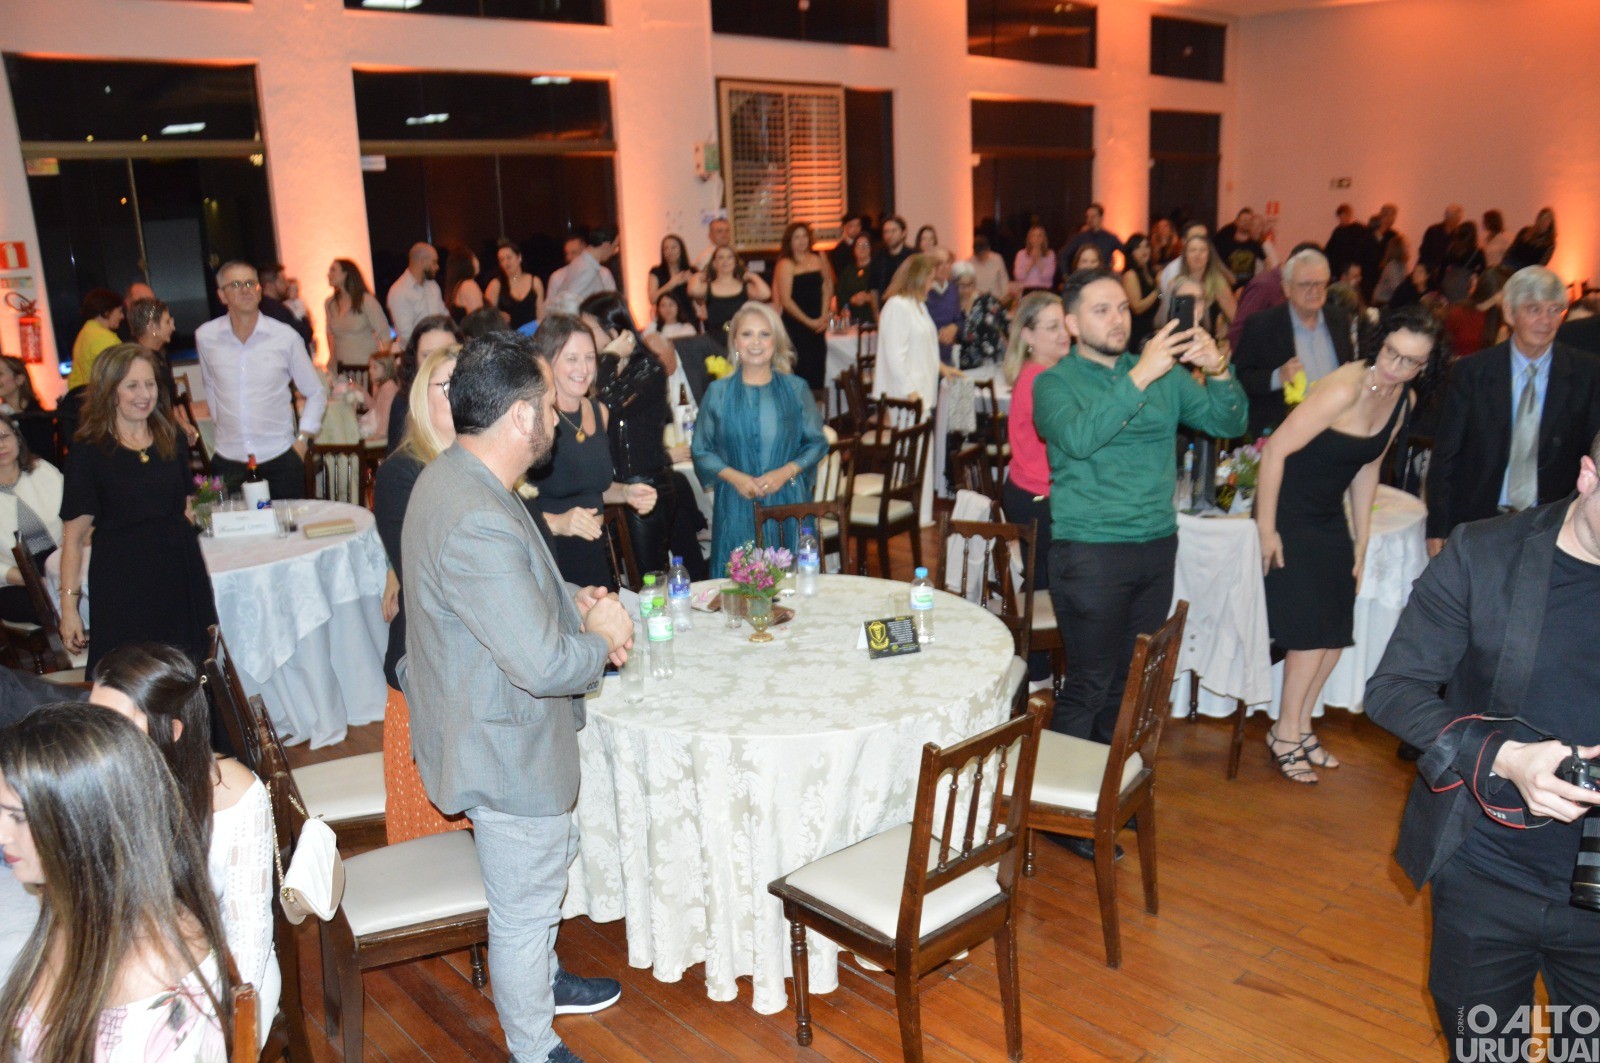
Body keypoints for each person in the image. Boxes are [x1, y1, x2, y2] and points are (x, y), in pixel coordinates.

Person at [398, 329, 632, 1063]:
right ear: (521, 416)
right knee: (524, 909)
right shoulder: (473, 512)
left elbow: (501, 599)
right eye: (549, 405)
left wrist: (569, 601)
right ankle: (534, 1045)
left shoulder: (456, 476)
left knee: (537, 878)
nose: (558, 417)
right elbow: (540, 663)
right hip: (503, 745)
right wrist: (598, 636)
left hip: (484, 717)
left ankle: (546, 983)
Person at [1365, 434, 1600, 1062]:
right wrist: (1504, 756)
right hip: (1486, 879)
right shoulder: (1485, 553)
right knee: (1486, 1054)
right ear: (1587, 477)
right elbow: (1393, 689)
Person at [1032, 269, 1245, 794]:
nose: (1118, 319)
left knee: (1128, 685)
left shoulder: (1164, 374)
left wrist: (1218, 370)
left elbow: (1229, 423)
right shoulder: (1053, 383)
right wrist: (1141, 376)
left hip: (1155, 546)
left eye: (1123, 308)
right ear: (1073, 324)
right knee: (1088, 684)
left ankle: (1101, 797)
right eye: (1101, 310)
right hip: (1090, 551)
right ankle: (1057, 806)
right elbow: (1079, 438)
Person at [1253, 306, 1434, 783]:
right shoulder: (1342, 388)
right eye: (1391, 352)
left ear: (1423, 366)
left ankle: (1301, 726)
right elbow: (1274, 452)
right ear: (1380, 343)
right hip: (1289, 509)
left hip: (1328, 514)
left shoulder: (1403, 400)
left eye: (1410, 361)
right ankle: (1283, 734)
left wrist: (1361, 540)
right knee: (1312, 633)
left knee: (1335, 633)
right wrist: (1266, 529)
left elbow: (1368, 465)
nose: (1396, 366)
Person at [0, 704, 235, 1060]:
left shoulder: (154, 973)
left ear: (87, 822)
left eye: (18, 817)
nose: (2, 835)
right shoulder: (79, 901)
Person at [89, 644, 278, 1047]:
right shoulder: (99, 782)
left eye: (114, 725)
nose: (95, 740)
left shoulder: (232, 793)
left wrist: (226, 1019)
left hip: (225, 967)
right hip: (137, 963)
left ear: (173, 731)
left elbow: (249, 931)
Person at [58, 345, 218, 673]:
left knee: (191, 667)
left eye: (150, 384)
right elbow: (73, 539)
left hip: (180, 569)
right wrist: (69, 608)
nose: (145, 395)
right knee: (131, 674)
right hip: (122, 577)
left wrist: (206, 518)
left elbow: (187, 505)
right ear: (109, 391)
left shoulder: (170, 436)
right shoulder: (89, 451)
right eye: (132, 385)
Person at [373, 343, 474, 846]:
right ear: (420, 398)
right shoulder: (403, 472)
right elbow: (421, 571)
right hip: (425, 665)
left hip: (470, 662)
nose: (458, 394)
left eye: (465, 384)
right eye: (446, 385)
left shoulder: (481, 464)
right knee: (429, 832)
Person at [1425, 266, 1600, 556]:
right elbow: (1446, 456)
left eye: (1554, 310)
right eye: (1533, 309)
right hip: (1479, 519)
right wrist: (1438, 526)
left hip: (1553, 525)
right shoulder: (1473, 373)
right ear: (1509, 312)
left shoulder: (1586, 373)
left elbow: (1594, 453)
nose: (1546, 321)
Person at [691, 301, 828, 575]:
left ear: (776, 343)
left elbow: (817, 443)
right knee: (738, 586)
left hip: (788, 500)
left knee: (792, 588)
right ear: (735, 342)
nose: (756, 342)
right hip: (736, 503)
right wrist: (736, 478)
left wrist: (785, 472)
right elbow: (701, 450)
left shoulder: (796, 388)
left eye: (765, 334)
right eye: (747, 334)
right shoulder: (717, 392)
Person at [527, 314, 657, 588]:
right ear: (546, 362)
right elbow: (509, 503)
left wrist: (626, 493)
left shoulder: (599, 412)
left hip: (595, 555)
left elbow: (593, 488)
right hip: (550, 557)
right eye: (572, 358)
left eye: (589, 357)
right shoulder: (533, 418)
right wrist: (557, 522)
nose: (584, 368)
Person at [196, 262, 325, 499]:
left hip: (280, 457)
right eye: (236, 284)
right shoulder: (206, 336)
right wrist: (221, 425)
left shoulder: (285, 337)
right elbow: (210, 384)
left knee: (287, 523)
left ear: (259, 291)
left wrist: (302, 442)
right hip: (229, 458)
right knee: (233, 523)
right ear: (222, 295)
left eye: (250, 283)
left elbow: (316, 392)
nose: (245, 289)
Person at [583, 292, 684, 575]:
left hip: (645, 485)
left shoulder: (648, 368)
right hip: (612, 488)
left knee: (649, 577)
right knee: (622, 576)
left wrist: (609, 356)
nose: (583, 336)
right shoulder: (599, 369)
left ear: (613, 330)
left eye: (588, 329)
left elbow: (608, 402)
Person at [1234, 248, 1356, 437]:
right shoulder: (1261, 325)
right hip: (1284, 430)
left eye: (1319, 283)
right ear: (1287, 288)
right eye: (1305, 284)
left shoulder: (1339, 319)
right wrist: (1277, 377)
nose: (1314, 291)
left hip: (1337, 426)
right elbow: (1240, 377)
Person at [1000, 292, 1069, 574]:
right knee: (1049, 582)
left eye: (1064, 324)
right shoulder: (1039, 379)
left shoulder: (1043, 373)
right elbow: (1066, 438)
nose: (1064, 333)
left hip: (1030, 488)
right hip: (1037, 495)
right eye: (1052, 327)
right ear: (1028, 336)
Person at [0, 418, 61, 626]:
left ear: (17, 438)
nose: (1, 445)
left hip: (60, 560)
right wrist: (31, 580)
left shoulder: (42, 471)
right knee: (49, 604)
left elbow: (74, 516)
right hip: (14, 578)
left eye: (4, 436)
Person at [126, 297, 199, 446]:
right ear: (152, 326)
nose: (173, 327)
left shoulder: (160, 356)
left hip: (164, 430)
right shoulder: (137, 362)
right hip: (150, 434)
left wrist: (181, 423)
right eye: (167, 322)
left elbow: (167, 403)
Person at [386, 314, 463, 454]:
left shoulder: (475, 400)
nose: (437, 362)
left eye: (446, 353)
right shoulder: (402, 403)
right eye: (428, 355)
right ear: (414, 359)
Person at [773, 221, 834, 391]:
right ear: (789, 241)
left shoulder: (818, 258)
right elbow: (786, 300)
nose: (801, 241)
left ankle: (816, 406)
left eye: (804, 236)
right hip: (796, 325)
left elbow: (827, 286)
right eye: (796, 237)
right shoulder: (785, 264)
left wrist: (823, 316)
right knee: (800, 371)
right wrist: (809, 322)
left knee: (817, 371)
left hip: (818, 324)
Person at [1161, 233, 1237, 342]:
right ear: (1185, 255)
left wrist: (1227, 341)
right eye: (1193, 250)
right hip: (1178, 341)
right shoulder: (1176, 283)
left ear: (1209, 255)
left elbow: (1235, 319)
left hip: (1209, 343)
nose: (1198, 254)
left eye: (1202, 250)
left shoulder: (1218, 283)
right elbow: (1163, 316)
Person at [688, 244, 770, 341]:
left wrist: (750, 275)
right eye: (720, 257)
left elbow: (765, 293)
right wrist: (705, 273)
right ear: (714, 263)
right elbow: (692, 289)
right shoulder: (707, 287)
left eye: (729, 257)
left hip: (739, 340)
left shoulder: (744, 287)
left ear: (735, 262)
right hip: (714, 341)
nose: (725, 261)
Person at [324, 258, 393, 372]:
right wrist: (332, 360)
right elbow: (330, 334)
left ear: (346, 273)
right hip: (342, 369)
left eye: (333, 270)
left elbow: (385, 335)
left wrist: (382, 366)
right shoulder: (330, 303)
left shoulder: (366, 301)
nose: (329, 274)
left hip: (366, 367)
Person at [546, 226, 619, 316]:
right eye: (615, 246)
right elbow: (566, 304)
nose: (616, 251)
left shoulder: (581, 262)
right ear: (606, 245)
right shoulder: (587, 268)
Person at [65, 288, 124, 394]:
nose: (122, 316)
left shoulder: (84, 333)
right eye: (119, 311)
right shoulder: (105, 338)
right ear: (106, 312)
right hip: (99, 396)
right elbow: (118, 375)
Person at [952, 260, 1009, 368]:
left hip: (994, 360)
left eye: (970, 284)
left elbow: (1006, 324)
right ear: (954, 284)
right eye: (962, 285)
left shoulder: (986, 300)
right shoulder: (953, 308)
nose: (967, 289)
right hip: (968, 364)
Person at [386, 242, 447, 341]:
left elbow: (444, 316)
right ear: (423, 261)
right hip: (416, 350)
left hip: (439, 346)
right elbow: (407, 335)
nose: (437, 267)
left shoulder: (433, 286)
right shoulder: (398, 291)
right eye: (434, 262)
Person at [0, 357, 53, 468]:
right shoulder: (4, 415)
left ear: (19, 379)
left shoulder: (37, 417)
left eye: (0, 374)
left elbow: (41, 458)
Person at [484, 238, 545, 330]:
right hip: (508, 335)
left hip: (532, 334)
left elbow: (540, 314)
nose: (506, 262)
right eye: (502, 260)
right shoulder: (496, 285)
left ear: (519, 257)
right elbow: (485, 315)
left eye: (509, 257)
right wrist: (497, 316)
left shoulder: (535, 281)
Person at [256, 263, 314, 351]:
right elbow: (305, 334)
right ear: (270, 285)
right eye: (283, 280)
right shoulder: (278, 310)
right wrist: (304, 316)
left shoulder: (258, 307)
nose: (287, 284)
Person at [1121, 234, 1161, 353]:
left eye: (1146, 246)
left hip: (1153, 329)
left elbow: (1159, 298)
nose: (1144, 250)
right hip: (1139, 332)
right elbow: (1137, 308)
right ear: (1131, 252)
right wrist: (1158, 290)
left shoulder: (1152, 273)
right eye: (1138, 247)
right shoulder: (1130, 275)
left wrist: (1161, 292)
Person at [648, 234, 696, 328]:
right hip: (665, 320)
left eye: (673, 247)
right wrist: (672, 283)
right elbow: (652, 299)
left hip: (688, 318)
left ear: (681, 250)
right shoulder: (656, 272)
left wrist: (692, 283)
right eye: (666, 248)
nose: (670, 251)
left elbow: (701, 300)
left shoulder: (691, 271)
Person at [925, 247, 963, 366]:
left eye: (948, 262)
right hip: (927, 356)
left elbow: (959, 319)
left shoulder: (952, 289)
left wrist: (954, 327)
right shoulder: (925, 292)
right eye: (939, 263)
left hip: (947, 355)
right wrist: (938, 335)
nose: (945, 267)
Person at [832, 233, 879, 325]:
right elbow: (840, 296)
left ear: (871, 248)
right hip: (852, 321)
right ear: (854, 249)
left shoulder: (878, 269)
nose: (862, 248)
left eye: (866, 245)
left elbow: (885, 292)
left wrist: (869, 297)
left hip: (873, 320)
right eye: (859, 245)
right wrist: (850, 301)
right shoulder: (847, 271)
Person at [1325, 203, 1375, 286]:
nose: (1342, 220)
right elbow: (1330, 249)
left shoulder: (1361, 230)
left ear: (1349, 215)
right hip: (1340, 269)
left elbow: (1366, 250)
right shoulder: (1338, 231)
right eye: (1340, 217)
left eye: (1343, 216)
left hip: (1355, 268)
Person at [1504, 207, 1558, 273]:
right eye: (1541, 218)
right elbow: (1512, 248)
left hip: (1528, 271)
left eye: (1546, 219)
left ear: (1550, 223)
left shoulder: (1549, 243)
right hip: (1511, 263)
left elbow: (1541, 265)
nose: (1543, 222)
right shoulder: (1525, 231)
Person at [1418, 204, 1464, 280]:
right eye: (1457, 219)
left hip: (1447, 275)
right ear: (1449, 218)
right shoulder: (1433, 231)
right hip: (1430, 271)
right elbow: (1423, 251)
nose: (1458, 222)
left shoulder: (1458, 235)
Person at [872, 215, 914, 298]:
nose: (889, 235)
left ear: (903, 233)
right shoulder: (878, 256)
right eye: (886, 232)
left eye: (893, 231)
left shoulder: (913, 256)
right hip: (884, 304)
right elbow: (873, 288)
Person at [966, 232, 1012, 303]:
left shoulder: (997, 259)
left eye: (983, 254)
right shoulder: (969, 263)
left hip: (996, 299)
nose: (981, 257)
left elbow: (1003, 280)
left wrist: (1004, 297)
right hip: (977, 301)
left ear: (988, 249)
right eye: (978, 255)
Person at [443, 246, 485, 322]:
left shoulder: (457, 287)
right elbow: (478, 321)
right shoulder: (468, 285)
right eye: (474, 257)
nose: (477, 261)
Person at [1012, 224, 1057, 295]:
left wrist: (1038, 261)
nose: (1036, 239)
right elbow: (1019, 276)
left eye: (1039, 236)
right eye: (1033, 236)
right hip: (1026, 291)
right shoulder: (1021, 254)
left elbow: (1048, 276)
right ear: (1029, 238)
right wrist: (1031, 263)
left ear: (1043, 238)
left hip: (1044, 291)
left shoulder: (1050, 254)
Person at [827, 214, 865, 282]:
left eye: (858, 225)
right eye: (851, 226)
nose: (856, 229)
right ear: (844, 227)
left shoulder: (864, 246)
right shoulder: (838, 251)